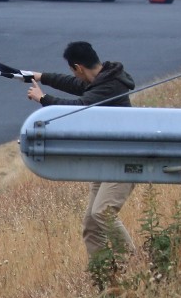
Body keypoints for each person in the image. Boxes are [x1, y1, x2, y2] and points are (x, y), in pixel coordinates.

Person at [26, 41, 136, 262]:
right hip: (106, 160)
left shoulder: (109, 86)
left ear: (78, 67)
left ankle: (134, 263)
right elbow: (74, 85)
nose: (74, 76)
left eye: (73, 71)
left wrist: (43, 99)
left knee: (102, 212)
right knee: (91, 226)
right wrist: (41, 76)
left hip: (125, 160)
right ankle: (103, 273)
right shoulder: (102, 78)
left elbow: (78, 109)